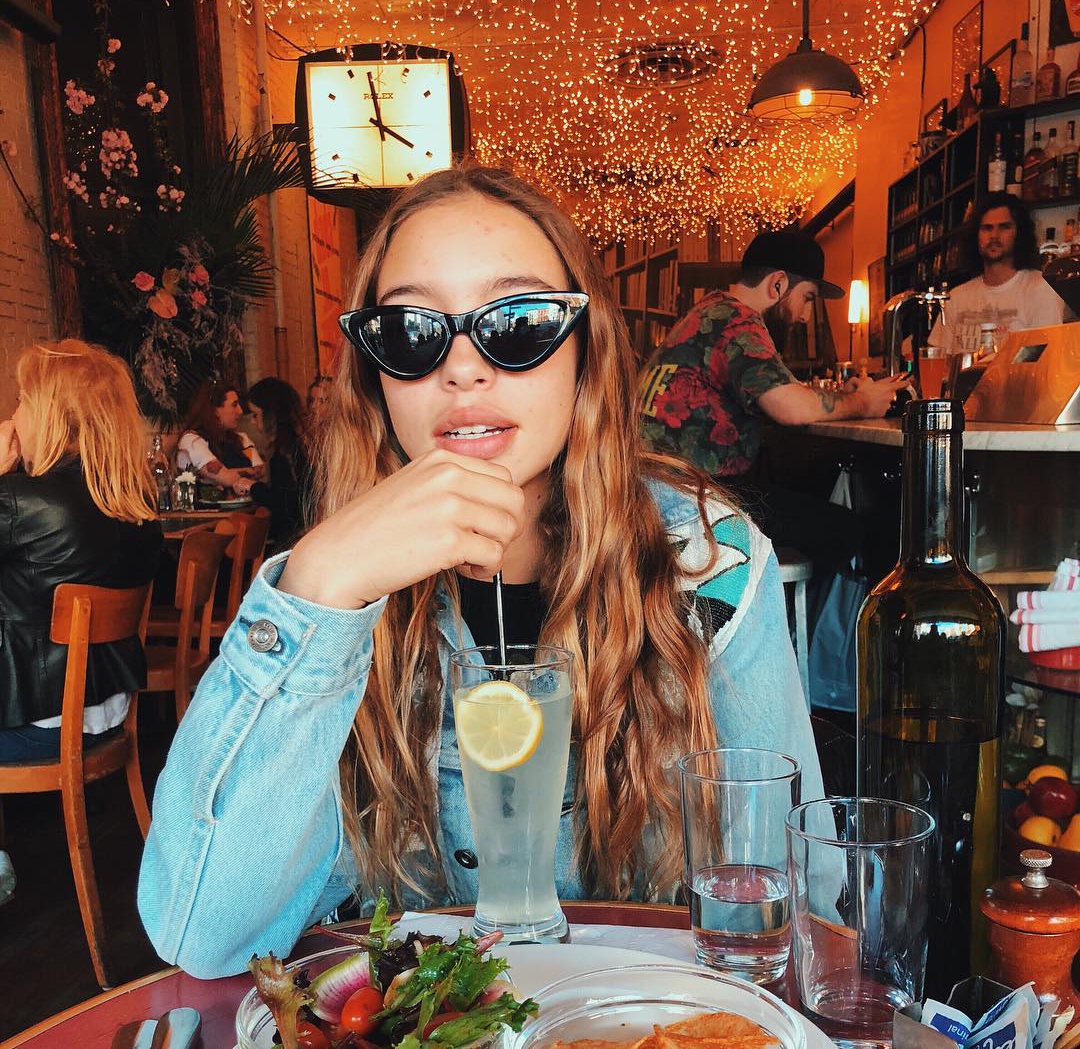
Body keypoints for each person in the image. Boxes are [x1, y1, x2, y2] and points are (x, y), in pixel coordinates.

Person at [137, 166, 824, 978]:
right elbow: (205, 935)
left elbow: (799, 898)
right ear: (374, 372)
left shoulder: (709, 563)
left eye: (519, 320)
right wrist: (319, 584)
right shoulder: (334, 589)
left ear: (586, 348)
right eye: (410, 331)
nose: (462, 368)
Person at [0, 340, 162, 762]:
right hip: (105, 713)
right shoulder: (134, 500)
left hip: (34, 723)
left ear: (49, 415)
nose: (13, 416)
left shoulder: (20, 500)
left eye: (22, 401)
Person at [640, 230, 908, 483]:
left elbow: (781, 393)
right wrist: (863, 402)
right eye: (808, 298)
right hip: (684, 495)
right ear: (777, 284)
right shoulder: (736, 320)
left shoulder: (712, 311)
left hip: (660, 486)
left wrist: (841, 397)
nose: (805, 316)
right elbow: (790, 408)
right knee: (839, 514)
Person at [928, 193, 1068, 354]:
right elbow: (937, 359)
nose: (994, 235)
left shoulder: (1041, 288)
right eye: (987, 228)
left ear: (1019, 233)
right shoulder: (956, 298)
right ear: (975, 236)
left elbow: (1042, 356)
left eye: (1004, 227)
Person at [243, 377, 311, 546]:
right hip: (307, 534)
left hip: (292, 541)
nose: (252, 421)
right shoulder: (299, 442)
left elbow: (282, 506)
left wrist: (252, 487)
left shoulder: (281, 452)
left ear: (270, 415)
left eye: (255, 415)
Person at [175, 379, 263, 494]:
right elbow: (226, 478)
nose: (240, 411)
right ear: (215, 410)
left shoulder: (242, 438)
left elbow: (262, 473)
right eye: (234, 405)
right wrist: (250, 472)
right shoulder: (192, 440)